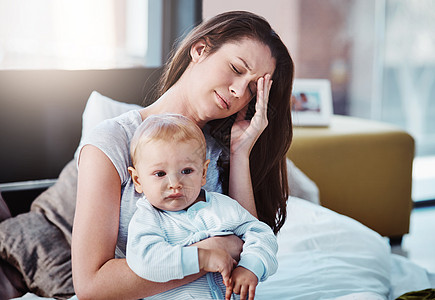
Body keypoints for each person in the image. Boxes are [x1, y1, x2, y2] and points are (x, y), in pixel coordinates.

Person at [72, 10, 293, 300]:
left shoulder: (223, 152)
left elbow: (245, 249)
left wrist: (241, 154)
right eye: (237, 69)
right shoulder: (112, 141)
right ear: (200, 50)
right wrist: (206, 255)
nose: (239, 91)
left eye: (253, 89)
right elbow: (92, 286)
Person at [125, 113, 278, 300]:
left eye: (187, 171)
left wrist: (250, 266)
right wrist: (202, 258)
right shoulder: (147, 219)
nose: (175, 183)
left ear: (203, 172)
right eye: (160, 173)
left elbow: (261, 233)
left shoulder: (222, 206)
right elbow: (145, 261)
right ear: (137, 180)